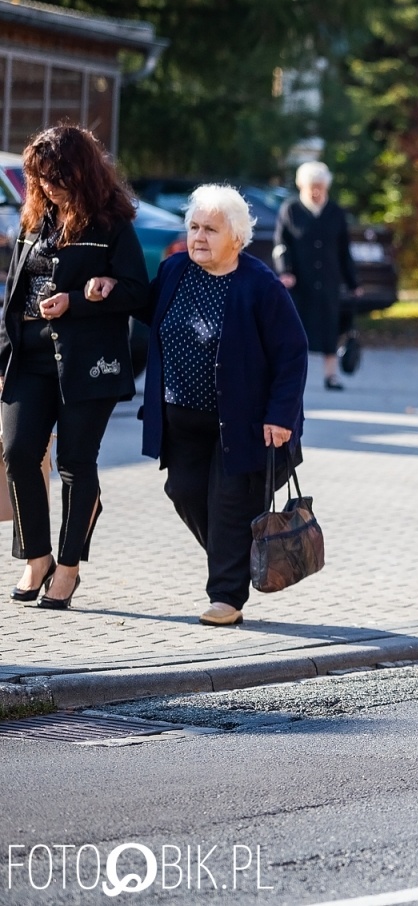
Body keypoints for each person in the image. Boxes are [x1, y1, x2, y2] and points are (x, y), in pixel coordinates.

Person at [138, 186, 309, 625]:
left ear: (236, 236)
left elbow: (293, 352)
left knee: (230, 505)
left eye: (210, 229)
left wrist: (280, 414)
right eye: (194, 227)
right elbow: (145, 307)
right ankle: (237, 555)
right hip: (182, 421)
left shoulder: (260, 285)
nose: (198, 236)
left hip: (242, 425)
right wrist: (103, 287)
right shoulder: (176, 269)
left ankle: (226, 598)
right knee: (184, 492)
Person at [3, 125, 148, 611]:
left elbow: (137, 295)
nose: (49, 186)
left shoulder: (112, 226)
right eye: (41, 177)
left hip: (89, 362)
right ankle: (36, 555)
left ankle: (67, 566)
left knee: (74, 464)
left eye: (58, 175)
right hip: (29, 357)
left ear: (83, 172)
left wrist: (87, 297)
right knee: (19, 452)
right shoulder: (33, 222)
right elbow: (15, 294)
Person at [275, 161, 358, 391]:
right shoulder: (291, 210)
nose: (316, 191)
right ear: (302, 186)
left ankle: (330, 375)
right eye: (312, 186)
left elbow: (344, 250)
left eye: (320, 186)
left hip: (329, 281)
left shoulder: (335, 213)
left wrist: (353, 282)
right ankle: (291, 377)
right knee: (295, 330)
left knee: (330, 328)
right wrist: (285, 271)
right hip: (300, 282)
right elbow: (281, 244)